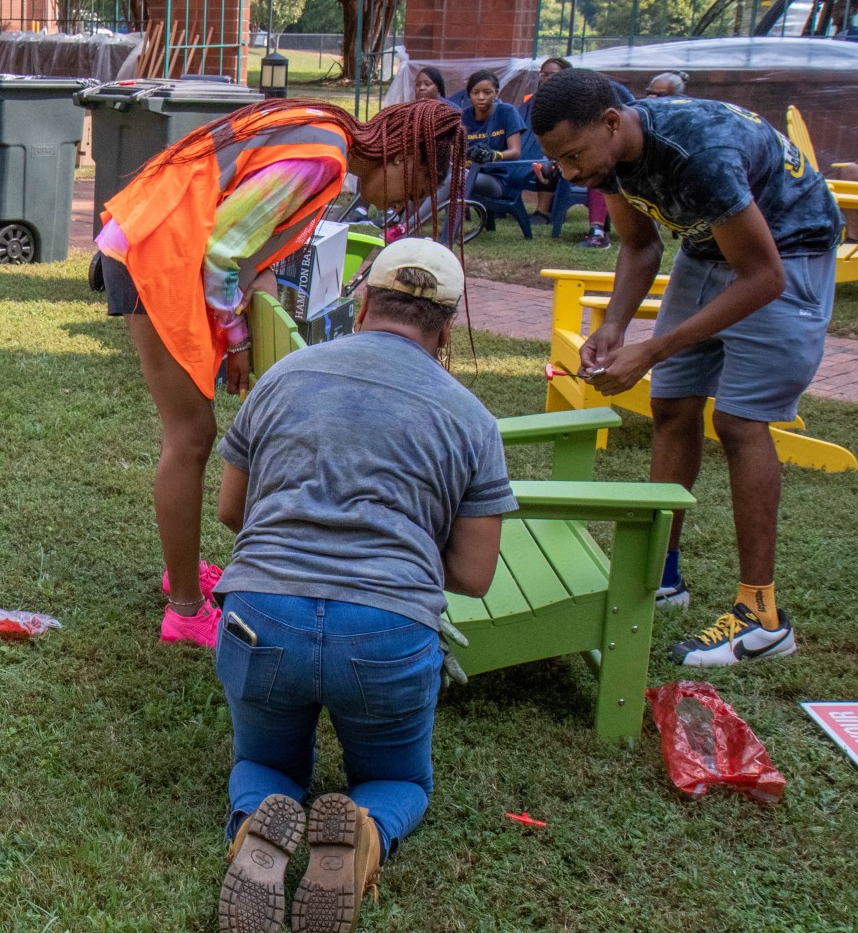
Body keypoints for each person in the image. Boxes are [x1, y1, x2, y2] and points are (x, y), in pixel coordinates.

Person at [212, 239, 514, 933]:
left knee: (263, 758)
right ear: (444, 328)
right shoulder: (471, 417)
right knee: (398, 780)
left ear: (363, 302)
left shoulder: (284, 376)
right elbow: (473, 573)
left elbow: (233, 512)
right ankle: (368, 831)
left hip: (263, 617)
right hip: (385, 631)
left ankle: (257, 825)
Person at [93, 98, 469, 648]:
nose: (401, 206)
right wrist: (239, 339)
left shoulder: (327, 133)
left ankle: (182, 571)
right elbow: (222, 250)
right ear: (402, 157)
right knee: (190, 437)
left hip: (158, 243)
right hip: (155, 254)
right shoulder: (324, 157)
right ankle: (185, 610)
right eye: (412, 191)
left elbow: (251, 237)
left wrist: (260, 305)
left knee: (193, 433)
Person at [532, 69, 844, 666]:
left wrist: (651, 350)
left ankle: (762, 618)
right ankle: (663, 576)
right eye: (559, 161)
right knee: (672, 404)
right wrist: (616, 327)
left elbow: (763, 277)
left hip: (789, 251)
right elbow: (640, 244)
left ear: (611, 122)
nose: (570, 174)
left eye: (573, 156)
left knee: (739, 422)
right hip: (707, 251)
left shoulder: (699, 152)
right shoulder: (610, 157)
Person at [521, 58, 617, 247]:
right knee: (547, 164)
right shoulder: (539, 104)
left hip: (596, 155)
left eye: (552, 75)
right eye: (543, 74)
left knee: (597, 170)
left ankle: (597, 232)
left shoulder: (585, 101)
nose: (546, 79)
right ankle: (542, 212)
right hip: (566, 157)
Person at [458, 70, 534, 238]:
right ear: (469, 95)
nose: (481, 97)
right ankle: (404, 222)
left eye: (487, 92)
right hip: (468, 173)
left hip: (496, 181)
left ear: (496, 93)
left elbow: (515, 152)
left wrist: (494, 155)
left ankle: (408, 226)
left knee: (453, 178)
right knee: (443, 176)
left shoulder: (507, 112)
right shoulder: (463, 117)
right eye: (475, 93)